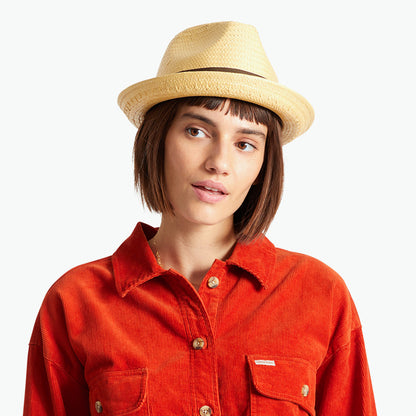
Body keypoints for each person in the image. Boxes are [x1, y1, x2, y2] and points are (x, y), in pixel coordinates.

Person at [23, 21, 377, 415]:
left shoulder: (320, 295)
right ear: (157, 139)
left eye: (245, 143)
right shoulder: (75, 302)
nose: (219, 162)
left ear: (264, 163)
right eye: (196, 131)